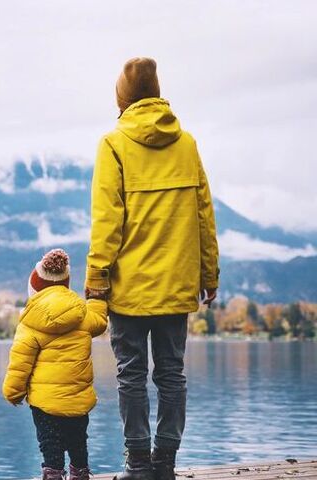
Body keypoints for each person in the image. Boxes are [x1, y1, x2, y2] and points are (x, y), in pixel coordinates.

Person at [85, 57, 219, 480]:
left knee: (131, 376)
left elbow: (107, 221)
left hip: (129, 286)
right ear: (157, 93)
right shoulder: (187, 144)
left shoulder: (113, 144)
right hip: (177, 283)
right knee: (172, 374)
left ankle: (139, 465)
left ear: (122, 99)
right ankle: (166, 465)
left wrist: (95, 280)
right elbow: (204, 215)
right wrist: (209, 275)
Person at [3, 248, 108, 480]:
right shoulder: (81, 314)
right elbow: (100, 322)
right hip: (77, 401)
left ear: (35, 286)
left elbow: (20, 363)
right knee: (78, 445)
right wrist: (96, 298)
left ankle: (52, 474)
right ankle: (80, 473)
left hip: (45, 405)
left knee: (51, 449)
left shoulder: (30, 322)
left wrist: (13, 393)